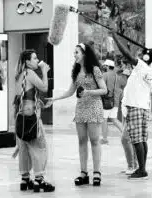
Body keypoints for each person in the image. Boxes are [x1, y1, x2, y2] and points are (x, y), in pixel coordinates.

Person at [45, 43, 107, 186]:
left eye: (77, 52)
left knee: (95, 140)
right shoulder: (77, 72)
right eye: (74, 52)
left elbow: (104, 90)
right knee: (81, 141)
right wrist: (54, 99)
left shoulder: (95, 70)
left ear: (84, 54)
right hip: (80, 109)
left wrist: (89, 92)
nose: (74, 55)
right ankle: (83, 173)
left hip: (94, 107)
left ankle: (97, 173)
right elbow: (70, 92)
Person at [111, 31, 152, 179]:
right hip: (143, 108)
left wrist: (115, 37)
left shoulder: (141, 66)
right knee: (141, 139)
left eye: (141, 54)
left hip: (135, 107)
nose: (139, 56)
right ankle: (142, 168)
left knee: (136, 140)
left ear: (145, 58)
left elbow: (128, 55)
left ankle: (141, 170)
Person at [13, 49, 55, 192]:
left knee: (24, 148)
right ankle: (39, 180)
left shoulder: (19, 74)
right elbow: (44, 87)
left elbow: (23, 97)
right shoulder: (30, 73)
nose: (37, 61)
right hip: (31, 119)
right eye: (35, 58)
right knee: (40, 147)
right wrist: (44, 70)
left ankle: (25, 179)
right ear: (27, 62)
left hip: (20, 117)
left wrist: (37, 102)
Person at [100, 59, 125, 144]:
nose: (104, 67)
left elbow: (102, 88)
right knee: (114, 119)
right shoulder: (118, 76)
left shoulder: (105, 75)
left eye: (105, 66)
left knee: (104, 119)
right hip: (115, 101)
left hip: (107, 101)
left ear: (107, 66)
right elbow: (122, 87)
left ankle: (104, 139)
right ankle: (126, 135)